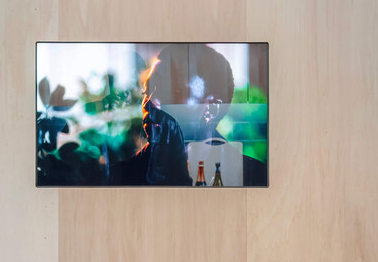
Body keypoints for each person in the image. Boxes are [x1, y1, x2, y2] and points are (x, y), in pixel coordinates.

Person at [113, 44, 266, 186]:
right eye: (147, 91)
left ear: (212, 109)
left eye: (171, 92)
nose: (151, 101)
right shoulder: (119, 179)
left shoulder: (252, 177)